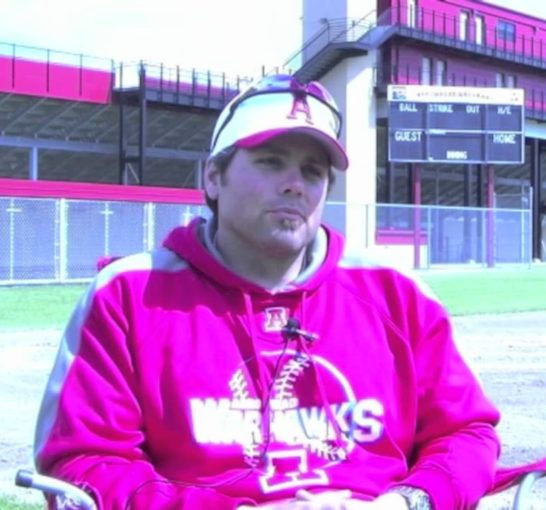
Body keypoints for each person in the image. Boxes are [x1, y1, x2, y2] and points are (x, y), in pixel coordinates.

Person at [33, 74, 501, 509]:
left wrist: (407, 502)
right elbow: (84, 460)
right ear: (213, 177)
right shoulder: (131, 294)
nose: (295, 185)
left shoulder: (396, 292)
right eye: (271, 162)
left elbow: (467, 432)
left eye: (312, 171)